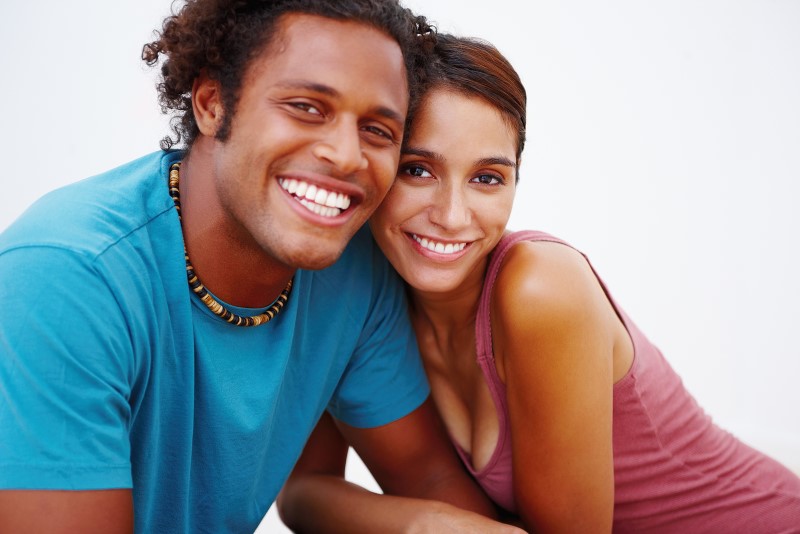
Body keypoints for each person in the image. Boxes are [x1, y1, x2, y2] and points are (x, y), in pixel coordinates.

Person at [0, 3, 525, 532]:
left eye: (377, 129)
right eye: (307, 107)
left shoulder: (353, 270)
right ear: (212, 103)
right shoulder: (65, 280)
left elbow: (429, 478)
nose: (347, 156)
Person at [279, 33, 800, 533]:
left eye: (487, 178)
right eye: (418, 170)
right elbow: (302, 493)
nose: (453, 216)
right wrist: (423, 523)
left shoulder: (540, 288)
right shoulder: (361, 298)